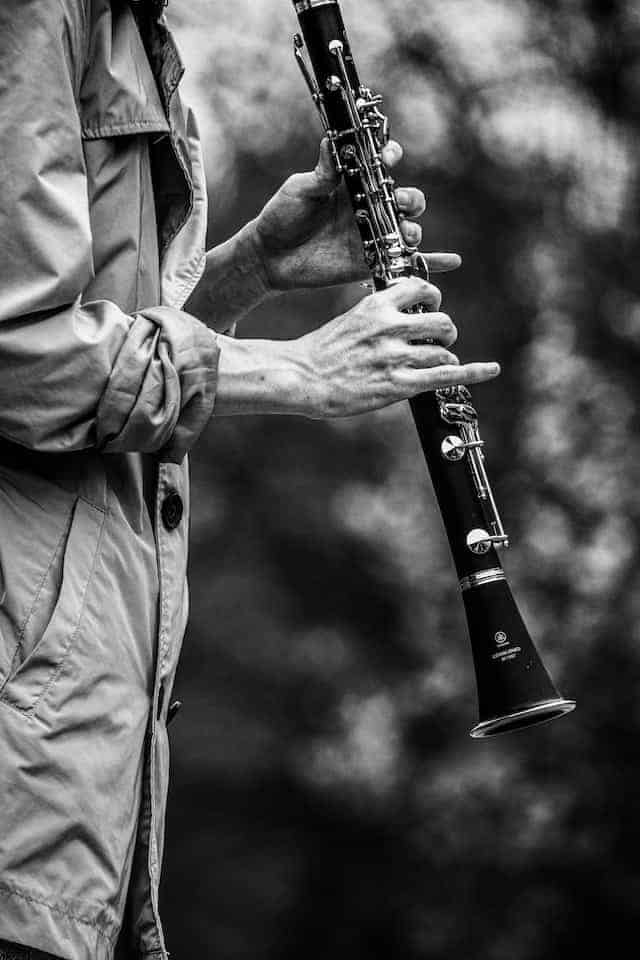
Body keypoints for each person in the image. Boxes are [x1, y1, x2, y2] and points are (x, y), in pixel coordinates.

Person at [0, 1, 499, 958]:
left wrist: (249, 270)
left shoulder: (135, 36)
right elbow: (21, 348)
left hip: (79, 776)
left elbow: (110, 345)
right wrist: (300, 371)